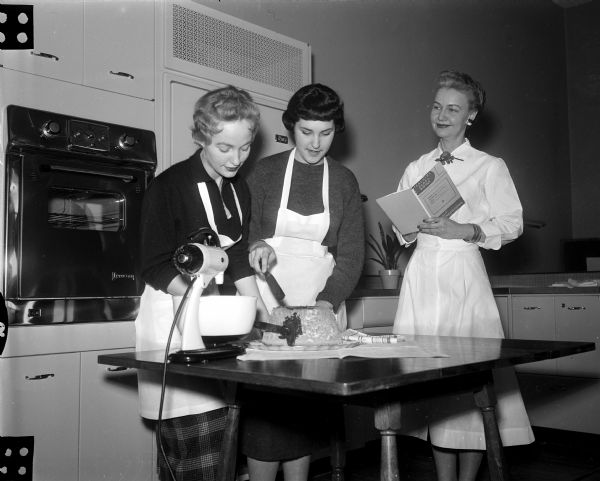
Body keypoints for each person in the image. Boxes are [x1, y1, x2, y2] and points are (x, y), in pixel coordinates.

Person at [392, 70, 534, 481]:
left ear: (470, 115)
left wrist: (466, 230)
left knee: (469, 375)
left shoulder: (490, 166)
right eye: (437, 106)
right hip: (422, 274)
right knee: (430, 379)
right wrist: (408, 226)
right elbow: (404, 229)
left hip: (463, 273)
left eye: (453, 108)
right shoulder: (417, 166)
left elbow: (512, 222)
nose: (442, 115)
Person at [135, 85, 267, 481]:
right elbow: (153, 265)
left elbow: (238, 256)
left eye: (244, 148)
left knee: (219, 448)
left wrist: (262, 311)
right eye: (225, 148)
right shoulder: (169, 186)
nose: (236, 159)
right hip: (173, 323)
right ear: (201, 138)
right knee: (191, 448)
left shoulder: (238, 187)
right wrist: (202, 302)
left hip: (213, 327)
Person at [241, 83, 365, 481]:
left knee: (307, 404)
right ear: (291, 127)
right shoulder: (265, 172)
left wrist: (327, 302)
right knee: (268, 404)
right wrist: (257, 249)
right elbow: (245, 234)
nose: (316, 143)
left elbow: (350, 254)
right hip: (266, 295)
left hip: (322, 302)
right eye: (306, 131)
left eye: (326, 133)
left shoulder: (344, 181)